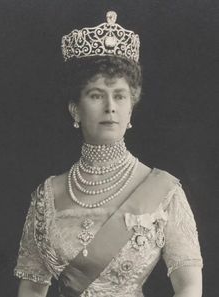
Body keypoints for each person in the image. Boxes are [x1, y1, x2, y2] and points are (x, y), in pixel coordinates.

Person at [14, 11, 203, 297]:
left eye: (120, 95)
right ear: (75, 109)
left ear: (130, 109)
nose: (110, 107)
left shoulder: (164, 191)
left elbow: (189, 286)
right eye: (96, 94)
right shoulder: (46, 197)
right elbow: (31, 287)